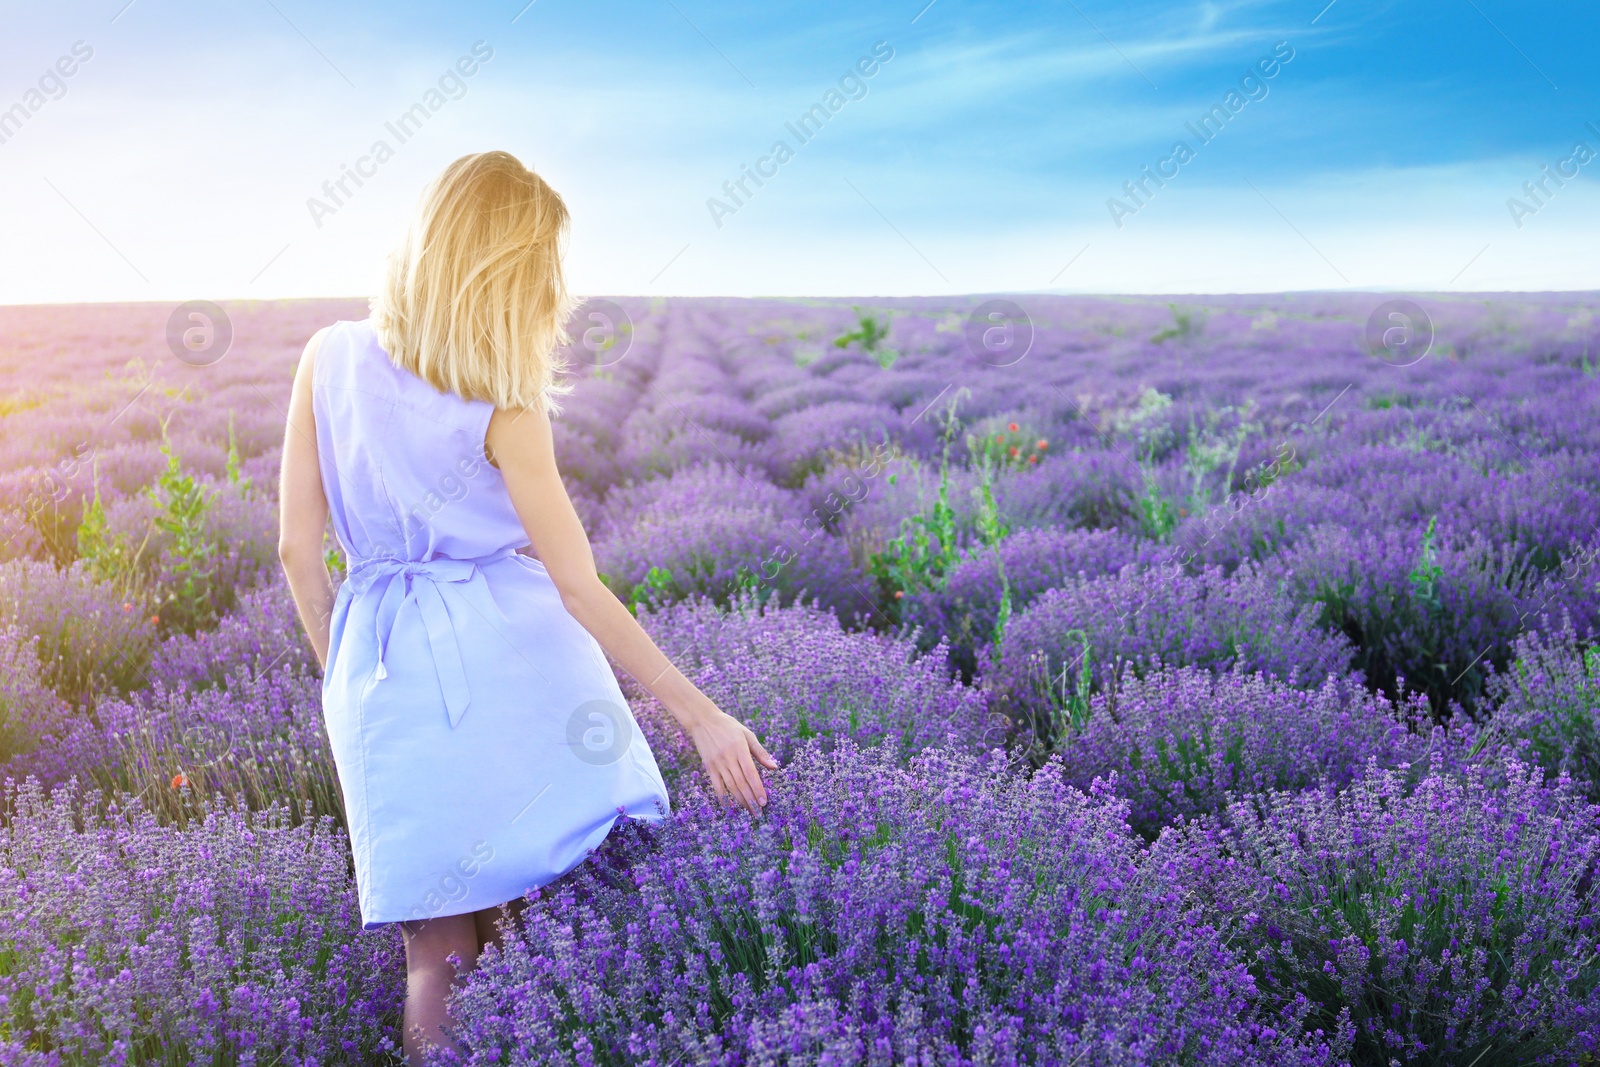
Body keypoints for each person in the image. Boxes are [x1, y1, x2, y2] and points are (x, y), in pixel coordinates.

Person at [276, 150, 777, 1063]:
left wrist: (344, 675)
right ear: (515, 273)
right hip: (508, 666)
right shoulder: (504, 406)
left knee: (433, 953)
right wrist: (699, 716)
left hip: (379, 665)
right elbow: (578, 583)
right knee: (528, 917)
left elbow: (295, 551)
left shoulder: (328, 356)